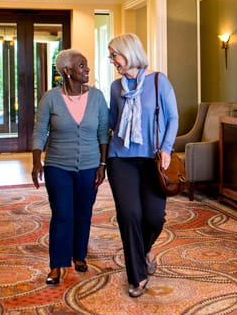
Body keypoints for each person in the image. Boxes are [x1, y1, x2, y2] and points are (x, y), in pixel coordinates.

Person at [107, 33, 179, 298]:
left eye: (115, 54)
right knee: (130, 215)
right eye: (111, 55)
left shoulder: (159, 81)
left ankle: (144, 250)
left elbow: (172, 117)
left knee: (153, 218)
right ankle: (137, 275)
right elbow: (112, 122)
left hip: (153, 159)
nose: (112, 60)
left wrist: (166, 149)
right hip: (120, 159)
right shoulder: (116, 87)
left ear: (129, 52)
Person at [31, 49, 109, 285]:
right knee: (62, 214)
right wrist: (36, 161)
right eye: (82, 65)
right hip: (57, 166)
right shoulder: (50, 98)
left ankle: (80, 255)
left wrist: (102, 163)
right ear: (67, 71)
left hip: (89, 165)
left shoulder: (97, 97)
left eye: (86, 65)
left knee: (84, 213)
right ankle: (56, 265)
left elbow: (103, 132)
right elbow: (39, 131)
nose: (87, 69)